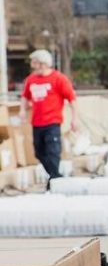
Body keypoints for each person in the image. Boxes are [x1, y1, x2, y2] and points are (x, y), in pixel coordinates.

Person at [20, 49, 77, 187]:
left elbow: (72, 99)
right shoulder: (31, 80)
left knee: (53, 152)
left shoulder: (58, 78)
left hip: (53, 122)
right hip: (37, 123)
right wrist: (22, 110)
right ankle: (56, 176)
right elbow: (25, 96)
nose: (33, 66)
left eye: (35, 63)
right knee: (39, 152)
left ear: (43, 64)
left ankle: (55, 180)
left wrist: (75, 119)